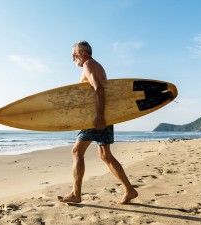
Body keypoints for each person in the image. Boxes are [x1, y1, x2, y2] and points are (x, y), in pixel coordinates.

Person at [57, 40, 138, 204]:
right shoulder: (95, 65)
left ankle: (76, 194)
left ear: (82, 52)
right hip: (104, 116)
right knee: (105, 155)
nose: (73, 59)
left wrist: (99, 116)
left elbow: (99, 89)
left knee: (76, 152)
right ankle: (129, 190)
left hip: (96, 118)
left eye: (74, 55)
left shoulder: (89, 65)